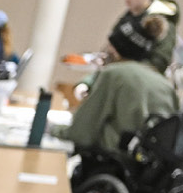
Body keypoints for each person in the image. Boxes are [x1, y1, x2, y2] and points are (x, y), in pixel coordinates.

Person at [54, 15, 179, 154]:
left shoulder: (113, 74)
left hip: (110, 162)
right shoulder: (164, 85)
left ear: (115, 48)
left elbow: (81, 133)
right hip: (146, 168)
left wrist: (50, 128)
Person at [80, 0, 181, 97]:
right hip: (116, 85)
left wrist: (125, 71)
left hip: (140, 91)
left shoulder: (162, 23)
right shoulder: (126, 20)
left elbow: (158, 64)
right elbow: (109, 53)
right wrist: (89, 82)